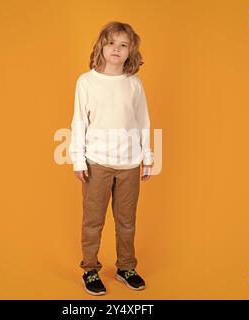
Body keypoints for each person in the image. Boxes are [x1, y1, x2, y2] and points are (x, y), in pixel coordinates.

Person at [68, 21, 154, 296]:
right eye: (111, 43)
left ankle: (126, 267)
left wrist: (148, 157)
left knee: (127, 221)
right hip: (96, 164)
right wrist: (78, 159)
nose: (116, 49)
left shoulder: (134, 84)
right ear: (101, 46)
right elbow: (79, 122)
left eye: (123, 45)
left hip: (129, 165)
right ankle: (90, 269)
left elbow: (143, 122)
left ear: (131, 51)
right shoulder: (87, 82)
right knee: (93, 220)